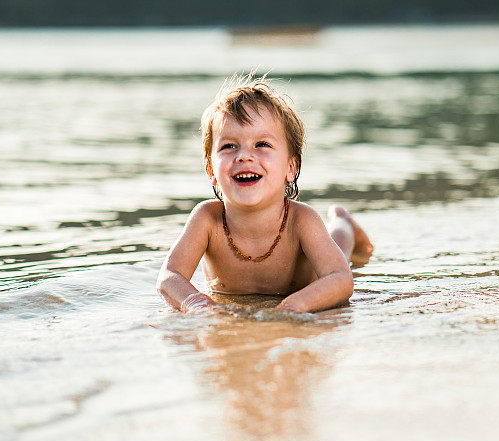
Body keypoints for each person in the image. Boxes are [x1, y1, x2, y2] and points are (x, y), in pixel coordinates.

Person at [157, 77, 373, 313]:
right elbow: (169, 277)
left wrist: (293, 306)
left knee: (339, 246)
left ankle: (343, 219)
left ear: (290, 168)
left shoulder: (301, 220)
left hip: (305, 284)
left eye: (262, 144)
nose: (244, 156)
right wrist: (197, 303)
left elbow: (340, 278)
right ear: (211, 170)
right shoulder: (207, 219)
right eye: (228, 146)